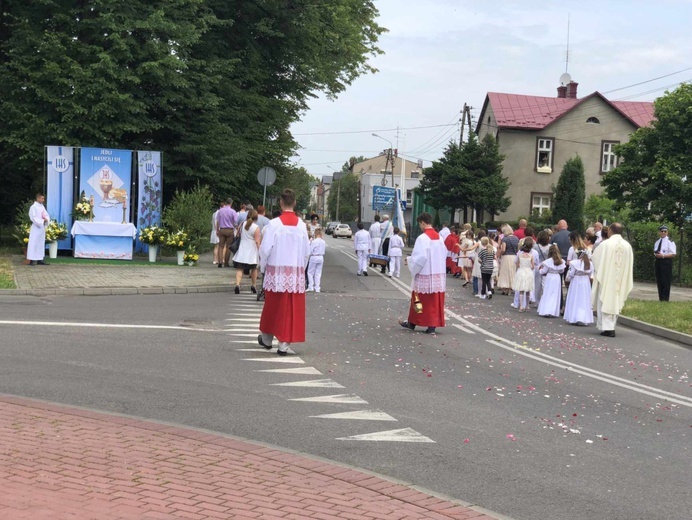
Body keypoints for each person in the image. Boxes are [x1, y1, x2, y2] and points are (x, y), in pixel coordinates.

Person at [258, 189, 310, 356]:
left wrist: (263, 267)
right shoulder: (302, 226)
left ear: (280, 203)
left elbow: (265, 250)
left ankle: (267, 339)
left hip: (276, 270)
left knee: (273, 307)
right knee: (290, 309)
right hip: (294, 272)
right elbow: (306, 252)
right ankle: (284, 344)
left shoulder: (273, 224)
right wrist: (301, 269)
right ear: (294, 203)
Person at [398, 212, 446, 334]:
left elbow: (420, 258)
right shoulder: (440, 238)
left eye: (420, 224)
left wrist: (409, 261)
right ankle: (431, 326)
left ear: (423, 223)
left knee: (419, 299)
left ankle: (412, 323)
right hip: (437, 273)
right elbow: (444, 254)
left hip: (424, 273)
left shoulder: (422, 238)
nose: (420, 226)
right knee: (433, 301)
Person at [591, 223, 634, 337]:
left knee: (604, 299)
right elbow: (629, 264)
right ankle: (611, 326)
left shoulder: (606, 244)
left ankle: (607, 328)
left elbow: (595, 258)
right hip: (619, 279)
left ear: (610, 231)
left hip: (606, 278)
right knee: (615, 300)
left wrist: (599, 271)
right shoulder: (627, 246)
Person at [232, 209, 261, 294]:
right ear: (256, 217)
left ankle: (237, 284)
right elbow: (257, 241)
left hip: (242, 249)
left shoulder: (242, 224)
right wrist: (260, 251)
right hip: (252, 250)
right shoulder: (256, 228)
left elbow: (237, 235)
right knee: (254, 269)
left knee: (239, 269)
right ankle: (253, 285)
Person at [564, 250, 594, 326]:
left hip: (576, 281)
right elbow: (591, 274)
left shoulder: (574, 263)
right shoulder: (589, 263)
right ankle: (583, 317)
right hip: (585, 282)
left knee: (575, 298)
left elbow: (571, 274)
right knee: (584, 299)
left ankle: (574, 317)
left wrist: (568, 279)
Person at [537, 245, 565, 318]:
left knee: (548, 293)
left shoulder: (548, 261)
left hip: (550, 277)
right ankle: (553, 311)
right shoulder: (561, 261)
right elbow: (562, 270)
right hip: (557, 278)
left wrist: (539, 270)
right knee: (555, 294)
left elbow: (544, 271)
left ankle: (547, 310)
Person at [654, 225, 676, 301]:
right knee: (659, 279)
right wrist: (657, 255)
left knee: (665, 280)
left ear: (667, 232)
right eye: (662, 231)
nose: (663, 232)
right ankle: (661, 298)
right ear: (659, 232)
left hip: (666, 261)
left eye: (665, 231)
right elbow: (655, 251)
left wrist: (663, 256)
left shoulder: (670, 241)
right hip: (658, 261)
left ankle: (665, 298)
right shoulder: (657, 242)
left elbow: (673, 254)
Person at [27, 193, 50, 266]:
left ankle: (40, 259)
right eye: (42, 198)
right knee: (34, 242)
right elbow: (33, 217)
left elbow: (46, 214)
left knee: (40, 243)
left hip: (41, 228)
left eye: (43, 198)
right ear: (38, 198)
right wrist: (42, 221)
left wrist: (46, 219)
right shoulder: (33, 207)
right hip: (36, 227)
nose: (43, 200)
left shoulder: (42, 207)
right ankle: (32, 260)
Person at [513, 238, 535, 312]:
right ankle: (527, 305)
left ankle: (521, 306)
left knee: (521, 290)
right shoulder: (531, 256)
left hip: (521, 271)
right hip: (528, 272)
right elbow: (532, 266)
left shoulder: (520, 255)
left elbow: (517, 264)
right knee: (528, 289)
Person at [497, 224, 519, 295]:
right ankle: (510, 288)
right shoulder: (516, 238)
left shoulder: (505, 239)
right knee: (512, 272)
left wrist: (500, 254)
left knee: (505, 273)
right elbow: (517, 249)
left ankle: (505, 289)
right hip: (514, 256)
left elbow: (503, 249)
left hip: (506, 257)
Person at [216, 198, 238, 267]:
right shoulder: (233, 212)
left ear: (225, 203)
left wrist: (217, 230)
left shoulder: (220, 211)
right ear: (231, 203)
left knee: (220, 246)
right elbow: (235, 222)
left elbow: (217, 221)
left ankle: (219, 262)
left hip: (222, 229)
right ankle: (226, 262)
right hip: (230, 230)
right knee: (228, 247)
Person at [307, 228, 326, 292]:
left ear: (316, 233)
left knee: (310, 272)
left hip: (314, 257)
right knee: (318, 273)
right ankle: (317, 287)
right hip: (321, 257)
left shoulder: (314, 241)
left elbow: (310, 250)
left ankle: (311, 286)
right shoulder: (323, 242)